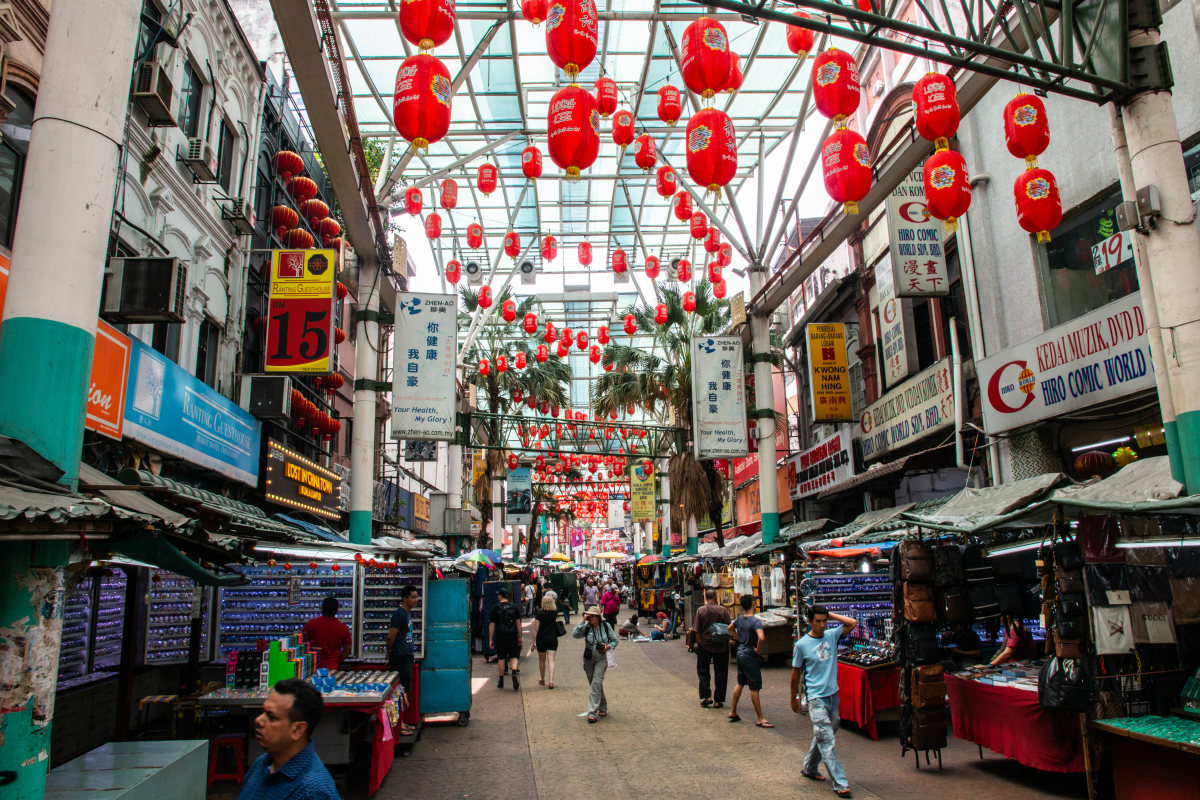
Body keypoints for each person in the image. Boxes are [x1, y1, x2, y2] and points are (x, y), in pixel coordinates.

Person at [791, 604, 856, 798]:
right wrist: (794, 698)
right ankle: (841, 783)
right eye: (817, 621)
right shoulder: (801, 645)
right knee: (827, 740)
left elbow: (852, 623)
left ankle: (810, 767)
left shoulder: (832, 635)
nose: (821, 625)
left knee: (829, 729)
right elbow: (795, 673)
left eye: (824, 620)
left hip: (832, 695)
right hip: (816, 698)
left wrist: (831, 615)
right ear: (809, 622)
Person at [240, 678, 338, 800]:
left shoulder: (312, 791)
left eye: (271, 717)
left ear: (297, 730)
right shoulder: (262, 764)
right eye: (263, 712)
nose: (258, 720)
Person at [728, 595, 770, 727]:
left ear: (741, 606)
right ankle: (760, 718)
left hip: (740, 653)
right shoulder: (756, 622)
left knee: (740, 682)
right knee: (754, 687)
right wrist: (758, 649)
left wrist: (739, 639)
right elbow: (761, 638)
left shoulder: (739, 619)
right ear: (753, 604)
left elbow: (729, 628)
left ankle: (733, 711)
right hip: (750, 655)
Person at [573, 606, 618, 723]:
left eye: (592, 616)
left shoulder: (606, 626)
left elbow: (615, 640)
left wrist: (607, 646)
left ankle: (592, 712)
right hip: (588, 656)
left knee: (596, 682)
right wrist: (583, 620)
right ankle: (602, 706)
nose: (590, 618)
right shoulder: (586, 627)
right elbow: (575, 634)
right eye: (589, 616)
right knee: (594, 683)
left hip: (601, 657)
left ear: (598, 617)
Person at [385, 584, 420, 735]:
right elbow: (390, 636)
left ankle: (402, 723)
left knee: (403, 692)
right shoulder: (399, 615)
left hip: (405, 656)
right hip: (400, 657)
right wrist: (390, 650)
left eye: (417, 597)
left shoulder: (406, 614)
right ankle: (399, 725)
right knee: (400, 692)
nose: (416, 600)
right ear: (404, 599)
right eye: (413, 597)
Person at [692, 587, 732, 708]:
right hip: (721, 645)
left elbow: (697, 630)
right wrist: (727, 642)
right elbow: (729, 628)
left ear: (705, 598)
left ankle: (706, 696)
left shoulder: (701, 611)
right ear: (716, 597)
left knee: (703, 671)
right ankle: (718, 700)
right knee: (721, 672)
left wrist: (699, 644)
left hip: (705, 644)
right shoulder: (723, 610)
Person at [301, 596, 352, 671]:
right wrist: (338, 662)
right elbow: (348, 648)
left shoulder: (311, 624)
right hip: (332, 666)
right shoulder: (342, 627)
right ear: (337, 610)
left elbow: (302, 644)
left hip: (313, 665)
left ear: (322, 609)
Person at [489, 586, 523, 690]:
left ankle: (501, 681)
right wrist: (519, 637)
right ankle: (513, 671)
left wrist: (490, 639)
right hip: (512, 635)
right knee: (513, 656)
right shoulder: (514, 607)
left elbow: (492, 625)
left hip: (500, 636)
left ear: (500, 596)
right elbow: (518, 623)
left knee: (501, 658)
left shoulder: (495, 608)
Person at [532, 593, 560, 688]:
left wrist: (533, 642)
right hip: (552, 638)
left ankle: (543, 679)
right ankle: (551, 681)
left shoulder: (539, 614)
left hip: (541, 638)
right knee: (551, 660)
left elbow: (536, 629)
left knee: (542, 660)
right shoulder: (554, 612)